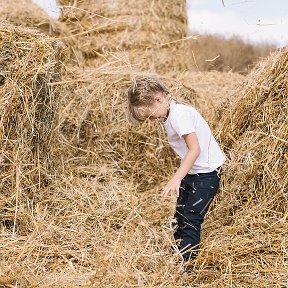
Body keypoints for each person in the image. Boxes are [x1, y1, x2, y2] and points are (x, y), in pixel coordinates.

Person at [127, 76, 225, 262]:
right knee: (180, 214)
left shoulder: (180, 115)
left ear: (158, 99)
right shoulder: (169, 114)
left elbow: (195, 149)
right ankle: (179, 252)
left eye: (150, 116)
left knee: (191, 218)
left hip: (207, 173)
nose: (151, 120)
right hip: (193, 171)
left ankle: (187, 263)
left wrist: (177, 178)